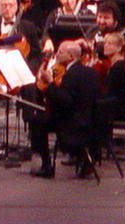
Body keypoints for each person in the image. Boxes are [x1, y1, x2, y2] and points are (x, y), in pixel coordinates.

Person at [30, 40, 101, 178]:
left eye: (60, 52)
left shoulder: (71, 75)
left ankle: (46, 165)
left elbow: (64, 102)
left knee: (37, 121)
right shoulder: (91, 72)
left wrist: (50, 84)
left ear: (71, 57)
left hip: (75, 125)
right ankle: (85, 158)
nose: (56, 55)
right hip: (92, 122)